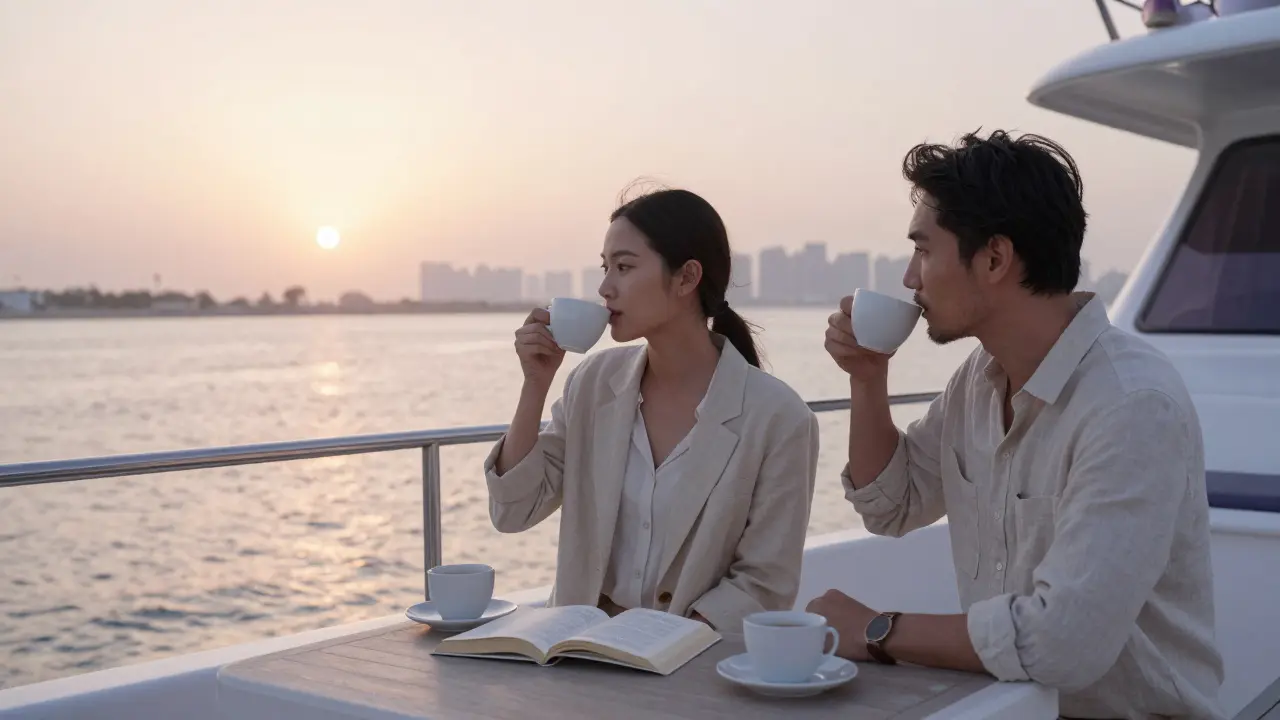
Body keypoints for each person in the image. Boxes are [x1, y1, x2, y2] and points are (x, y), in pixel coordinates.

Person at [808, 130, 1225, 719]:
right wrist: (866, 376)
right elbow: (892, 505)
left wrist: (876, 631)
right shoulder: (976, 380)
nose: (909, 277)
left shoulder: (1132, 405)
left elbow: (1063, 644)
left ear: (996, 258)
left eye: (924, 250)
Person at [484, 187, 820, 632]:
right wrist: (535, 386)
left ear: (686, 278)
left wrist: (659, 642)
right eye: (605, 268)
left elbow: (765, 582)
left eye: (624, 267)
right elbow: (513, 512)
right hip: (576, 653)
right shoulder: (593, 383)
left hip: (692, 666)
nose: (604, 288)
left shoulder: (779, 418)